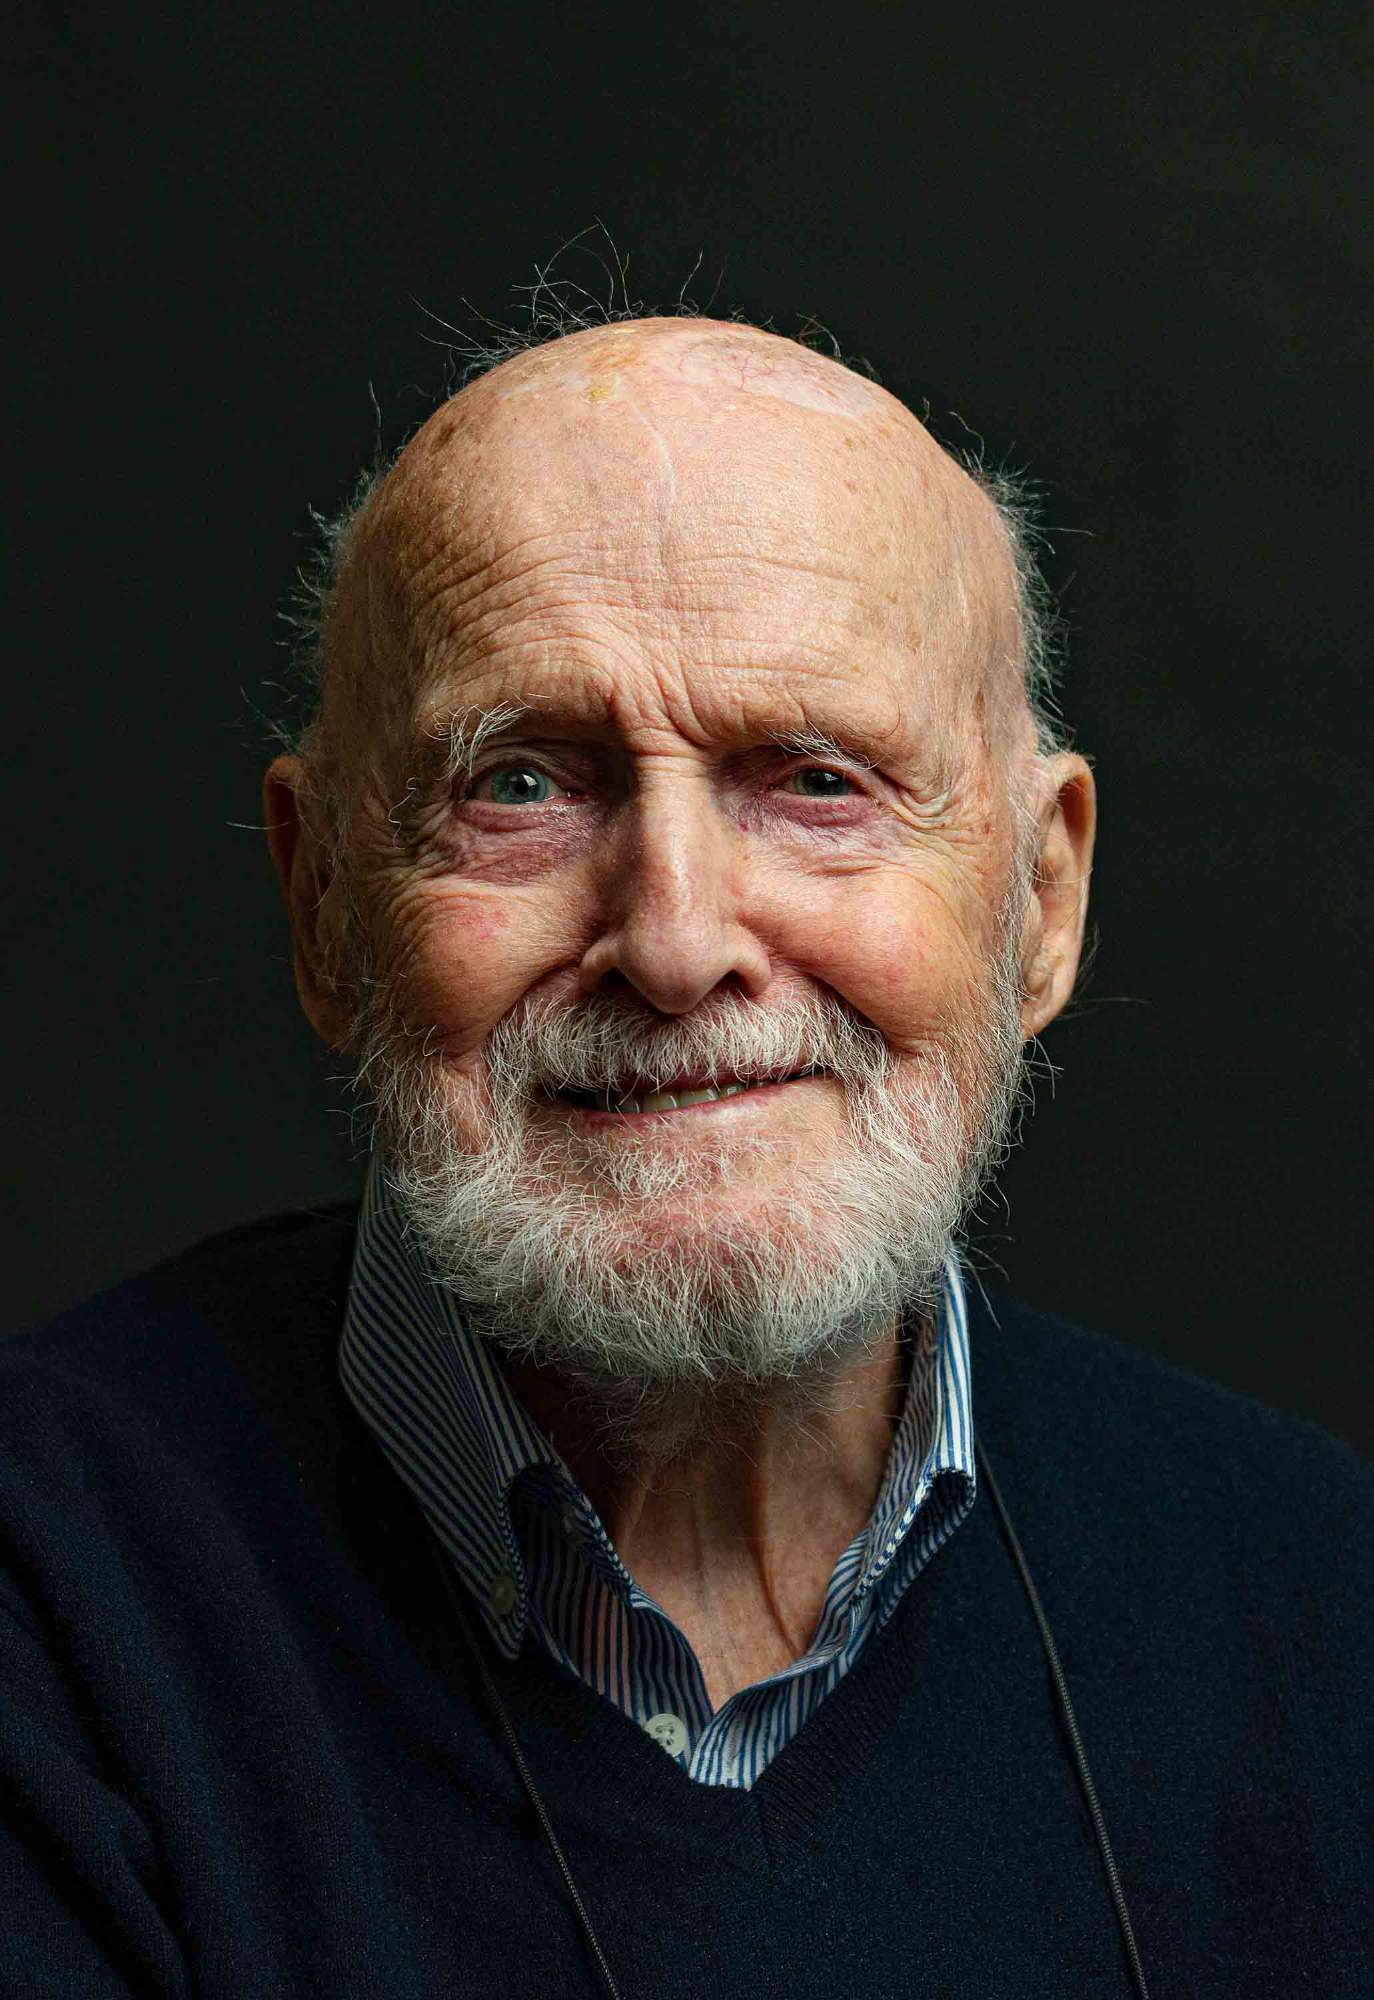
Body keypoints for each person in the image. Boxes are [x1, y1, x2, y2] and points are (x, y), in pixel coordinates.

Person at [2, 311, 1368, 2000]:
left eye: (817, 782)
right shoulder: (47, 1610)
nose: (672, 942)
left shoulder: (1320, 1592)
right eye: (519, 785)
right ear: (326, 908)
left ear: (1040, 901)